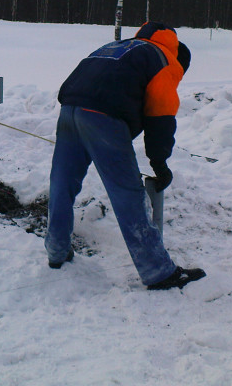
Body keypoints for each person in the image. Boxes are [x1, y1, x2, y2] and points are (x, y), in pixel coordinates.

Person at [44, 21, 206, 290]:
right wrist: (159, 162)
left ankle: (56, 250)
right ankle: (158, 272)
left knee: (62, 184)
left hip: (69, 109)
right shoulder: (166, 59)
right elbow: (161, 118)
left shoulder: (120, 46)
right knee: (128, 193)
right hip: (103, 117)